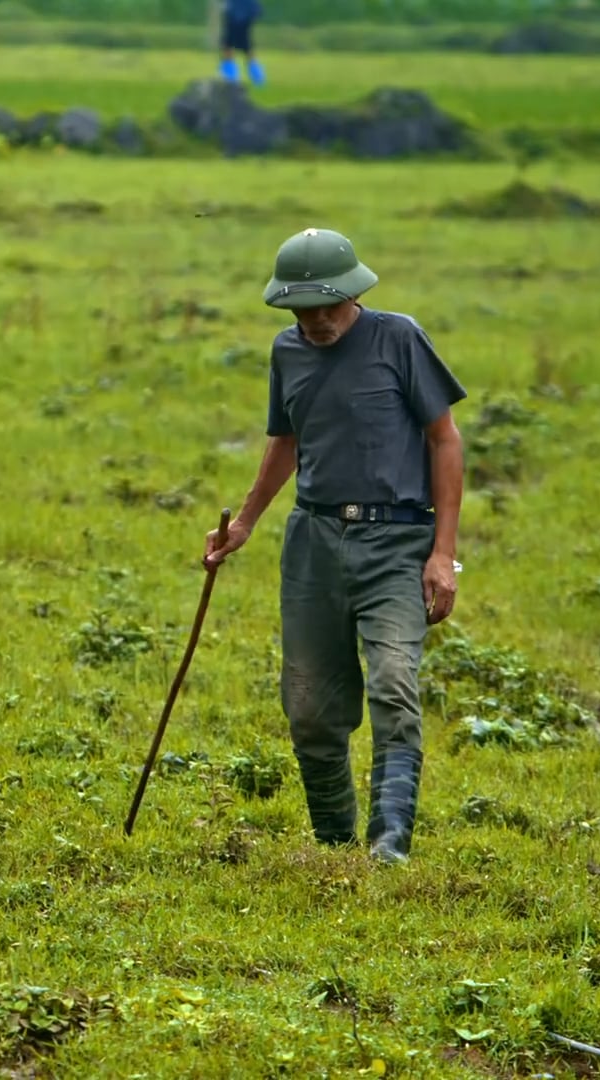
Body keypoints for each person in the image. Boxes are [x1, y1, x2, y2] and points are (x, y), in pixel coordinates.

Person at [203, 227, 466, 864]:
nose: (318, 321)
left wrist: (442, 553)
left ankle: (390, 844)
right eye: (303, 309)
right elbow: (285, 442)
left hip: (397, 538)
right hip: (314, 540)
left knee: (394, 683)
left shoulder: (398, 338)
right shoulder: (286, 352)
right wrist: (244, 525)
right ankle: (334, 845)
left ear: (352, 294)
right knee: (309, 704)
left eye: (328, 306)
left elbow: (445, 440)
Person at [218, 0, 265, 86]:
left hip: (235, 18)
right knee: (246, 49)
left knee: (229, 48)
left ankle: (231, 79)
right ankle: (258, 79)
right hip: (242, 18)